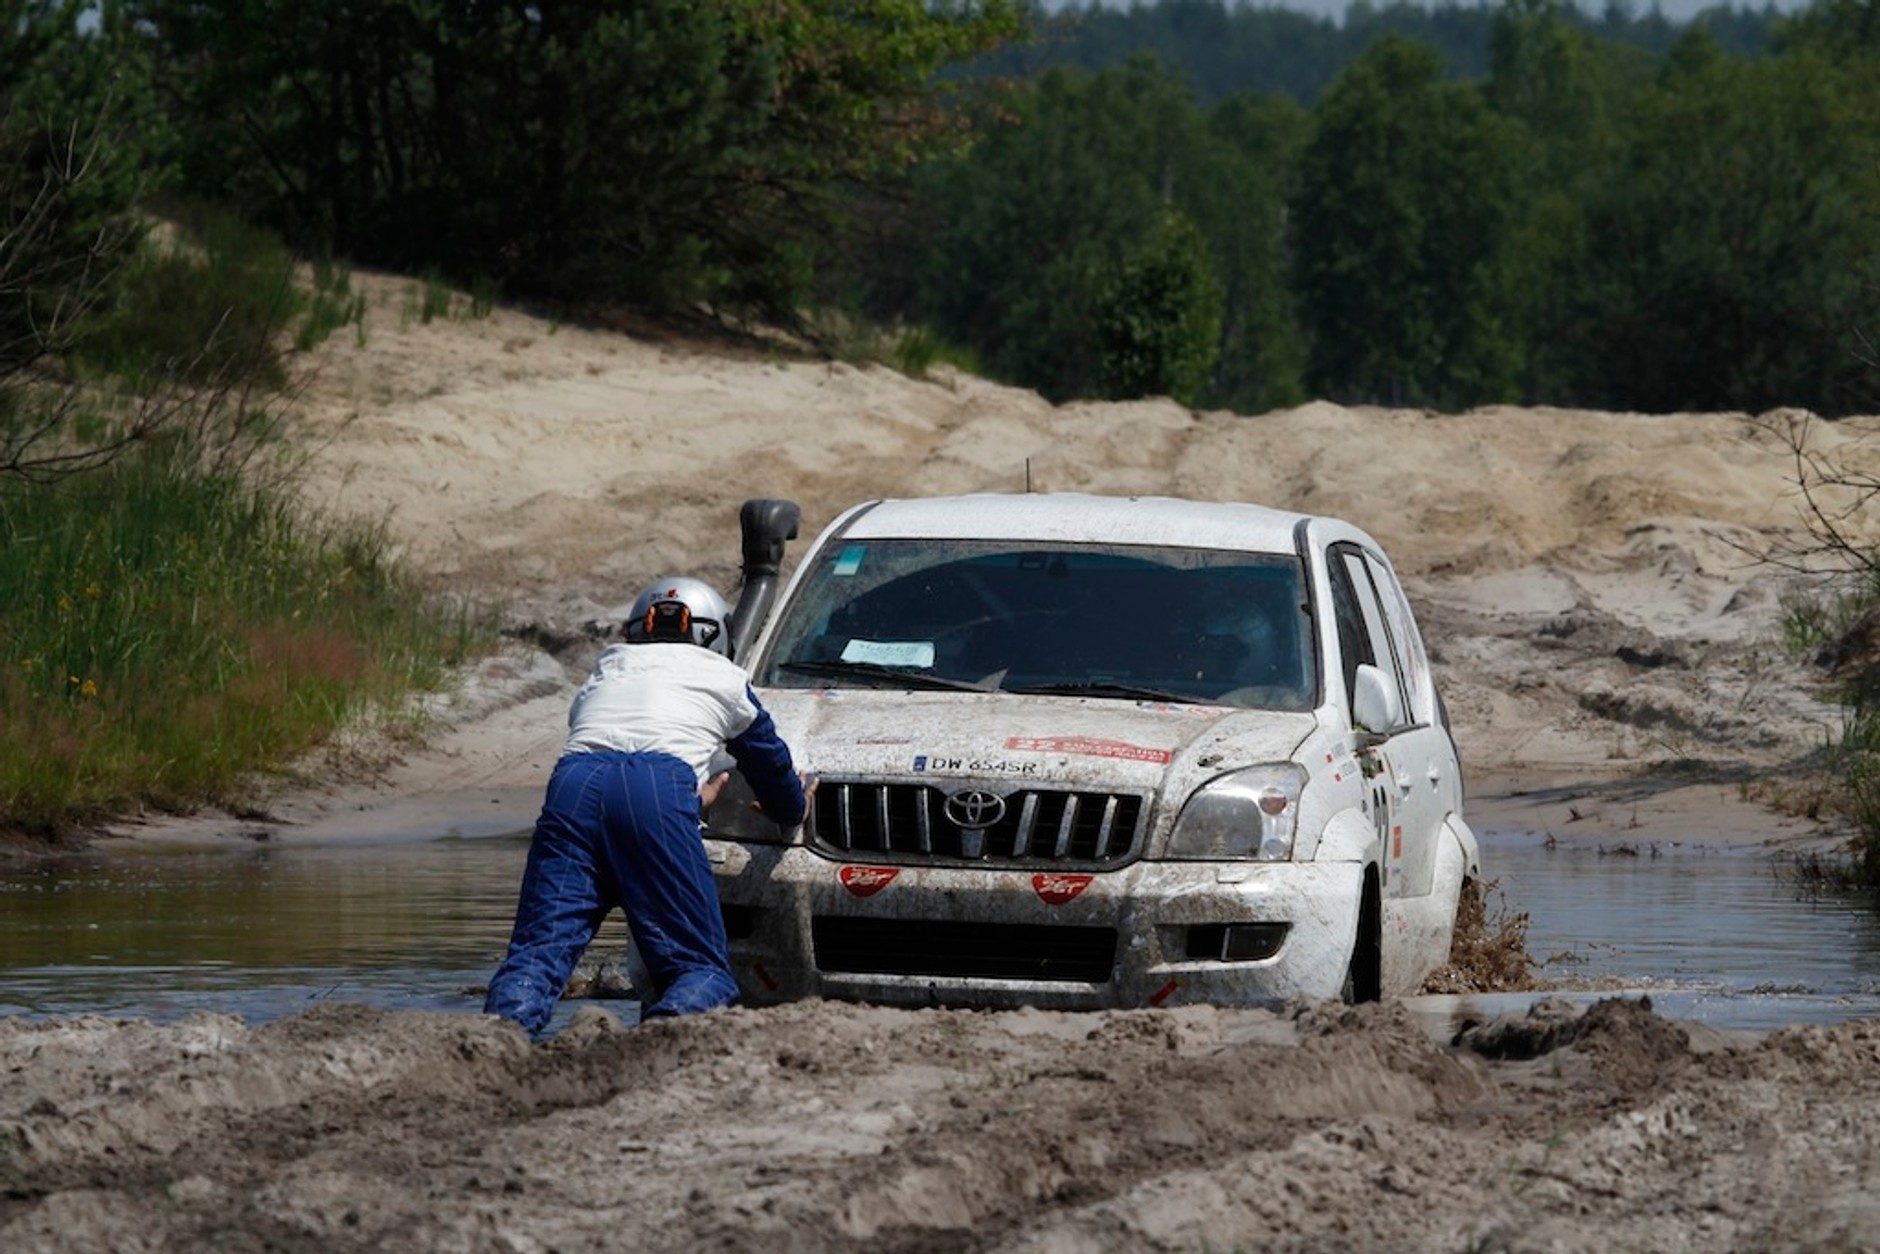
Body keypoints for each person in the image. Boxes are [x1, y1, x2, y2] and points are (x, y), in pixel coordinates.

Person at [483, 575, 808, 1038]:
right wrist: (794, 808)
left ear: (637, 629)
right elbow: (770, 764)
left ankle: (497, 1039)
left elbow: (615, 752)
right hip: (658, 792)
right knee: (702, 970)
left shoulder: (608, 668)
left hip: (573, 787)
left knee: (537, 954)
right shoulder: (726, 678)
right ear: (714, 633)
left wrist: (687, 801)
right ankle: (652, 1044)